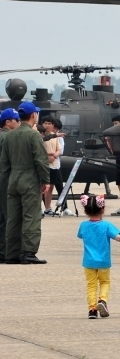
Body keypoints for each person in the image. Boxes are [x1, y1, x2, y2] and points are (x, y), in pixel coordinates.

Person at [1, 101, 50, 264]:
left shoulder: (10, 135)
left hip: (13, 179)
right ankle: (28, 252)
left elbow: (4, 163)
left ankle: (11, 254)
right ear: (33, 115)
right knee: (31, 215)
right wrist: (45, 180)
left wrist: (9, 181)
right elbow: (41, 160)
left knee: (13, 218)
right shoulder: (34, 135)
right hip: (29, 179)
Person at [77, 194, 120, 318]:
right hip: (103, 261)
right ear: (103, 209)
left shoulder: (83, 225)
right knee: (104, 282)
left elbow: (80, 235)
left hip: (88, 262)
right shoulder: (106, 225)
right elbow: (118, 237)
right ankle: (102, 300)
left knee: (91, 285)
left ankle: (92, 310)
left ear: (85, 211)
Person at [0, 108, 21, 263]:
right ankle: (8, 251)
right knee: (9, 216)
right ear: (8, 122)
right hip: (5, 179)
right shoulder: (8, 138)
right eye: (16, 120)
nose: (19, 123)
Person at [41, 115, 64, 217]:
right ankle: (39, 208)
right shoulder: (40, 136)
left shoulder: (55, 136)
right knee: (42, 187)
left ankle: (48, 208)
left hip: (54, 165)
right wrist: (48, 155)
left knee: (50, 187)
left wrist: (55, 155)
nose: (47, 125)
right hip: (44, 165)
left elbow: (59, 149)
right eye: (45, 123)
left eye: (49, 123)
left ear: (53, 125)